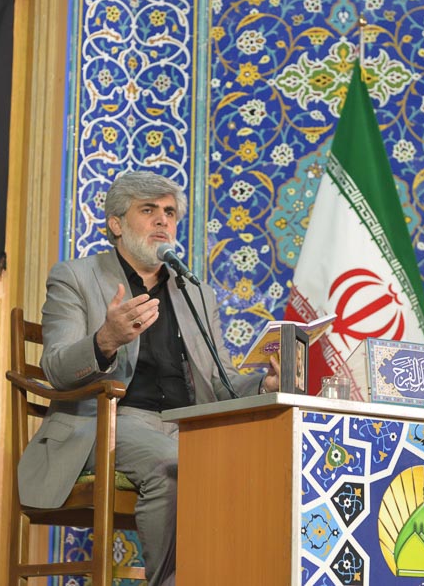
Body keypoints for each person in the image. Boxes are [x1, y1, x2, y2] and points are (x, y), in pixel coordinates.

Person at [17, 170, 280, 585]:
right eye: (148, 210)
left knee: (259, 467)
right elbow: (56, 368)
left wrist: (265, 385)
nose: (162, 220)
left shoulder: (195, 292)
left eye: (170, 213)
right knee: (175, 465)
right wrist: (104, 340)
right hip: (107, 422)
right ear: (116, 224)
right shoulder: (75, 277)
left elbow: (221, 380)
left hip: (186, 425)